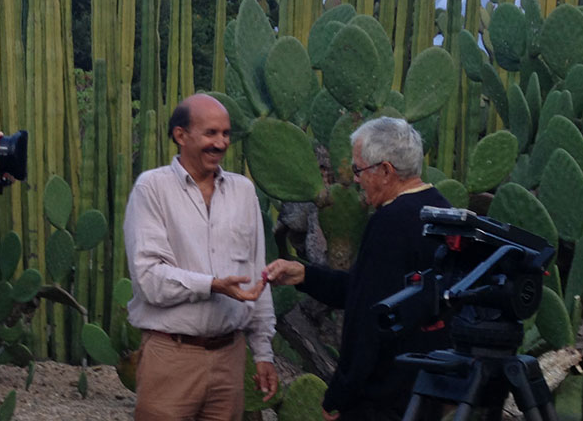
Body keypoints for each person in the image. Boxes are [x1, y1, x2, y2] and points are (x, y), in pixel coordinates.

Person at [264, 116, 452, 421]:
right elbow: (376, 289)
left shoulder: (390, 222)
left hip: (383, 396)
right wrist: (306, 275)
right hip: (429, 388)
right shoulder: (441, 209)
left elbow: (369, 317)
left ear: (386, 171)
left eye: (358, 169)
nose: (354, 179)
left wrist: (340, 392)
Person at [123, 93, 277, 421]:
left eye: (225, 134)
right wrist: (212, 285)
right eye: (210, 133)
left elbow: (257, 276)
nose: (220, 143)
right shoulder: (152, 189)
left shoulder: (243, 191)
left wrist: (263, 353)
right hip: (171, 356)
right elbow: (149, 278)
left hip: (230, 359)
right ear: (181, 135)